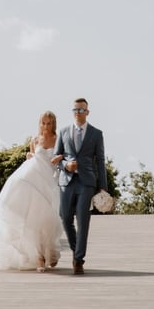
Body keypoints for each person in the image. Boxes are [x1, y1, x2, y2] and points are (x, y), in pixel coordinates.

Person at [0, 110, 64, 272]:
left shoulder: (58, 139)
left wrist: (60, 157)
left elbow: (65, 155)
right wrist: (29, 155)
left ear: (53, 124)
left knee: (47, 219)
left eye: (49, 123)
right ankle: (39, 258)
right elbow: (32, 156)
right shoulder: (35, 140)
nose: (45, 126)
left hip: (48, 182)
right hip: (32, 179)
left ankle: (49, 253)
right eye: (43, 123)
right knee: (31, 218)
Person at [53, 97, 106, 276]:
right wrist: (65, 165)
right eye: (75, 110)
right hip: (66, 181)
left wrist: (103, 187)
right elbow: (56, 158)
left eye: (81, 110)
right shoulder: (63, 132)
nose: (78, 113)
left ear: (87, 112)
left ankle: (79, 260)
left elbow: (100, 161)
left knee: (83, 220)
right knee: (65, 217)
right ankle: (76, 250)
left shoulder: (96, 134)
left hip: (86, 182)